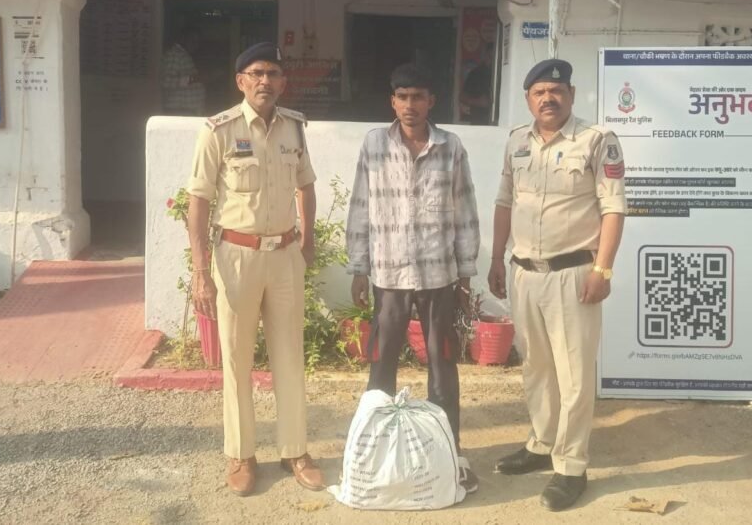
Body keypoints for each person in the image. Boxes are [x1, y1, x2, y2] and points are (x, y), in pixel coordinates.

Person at [186, 42, 324, 497]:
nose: (266, 81)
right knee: (236, 358)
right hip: (236, 256)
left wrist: (307, 240)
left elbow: (306, 185)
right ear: (241, 81)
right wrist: (201, 271)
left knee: (290, 355)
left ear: (284, 82)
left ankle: (295, 450)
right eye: (257, 73)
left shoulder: (294, 128)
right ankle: (241, 454)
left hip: (283, 255)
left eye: (273, 73)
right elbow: (198, 201)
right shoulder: (219, 130)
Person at [489, 58, 626, 511]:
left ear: (571, 94)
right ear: (528, 99)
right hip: (525, 273)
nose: (548, 99)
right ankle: (542, 442)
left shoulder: (597, 140)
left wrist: (602, 270)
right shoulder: (516, 141)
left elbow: (613, 208)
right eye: (539, 92)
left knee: (574, 375)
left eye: (556, 91)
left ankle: (571, 465)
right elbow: (505, 201)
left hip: (573, 275)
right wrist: (496, 257)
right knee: (536, 366)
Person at [346, 63, 481, 493]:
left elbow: (464, 210)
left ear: (431, 101)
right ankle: (377, 453)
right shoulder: (374, 145)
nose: (410, 105)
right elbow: (361, 206)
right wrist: (359, 266)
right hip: (388, 275)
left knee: (443, 364)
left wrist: (465, 273)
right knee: (381, 364)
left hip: (439, 276)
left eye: (418, 97)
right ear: (392, 101)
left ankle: (449, 452)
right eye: (402, 97)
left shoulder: (450, 147)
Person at [161, 23, 206, 115]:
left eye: (197, 41)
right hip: (179, 111)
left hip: (187, 111)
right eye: (192, 40)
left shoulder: (183, 54)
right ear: (182, 38)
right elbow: (166, 81)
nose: (195, 44)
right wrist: (193, 79)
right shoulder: (174, 54)